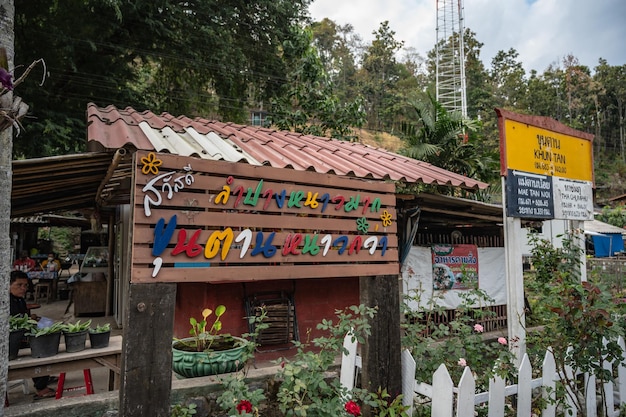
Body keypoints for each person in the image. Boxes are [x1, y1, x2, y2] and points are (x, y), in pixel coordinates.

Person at [10, 270, 57, 400]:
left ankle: (45, 374)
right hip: (12, 341)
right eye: (19, 285)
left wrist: (33, 319)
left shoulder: (19, 300)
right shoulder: (6, 302)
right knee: (40, 347)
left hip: (21, 336)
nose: (23, 288)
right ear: (8, 285)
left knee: (48, 337)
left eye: (25, 285)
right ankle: (41, 388)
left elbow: (23, 317)